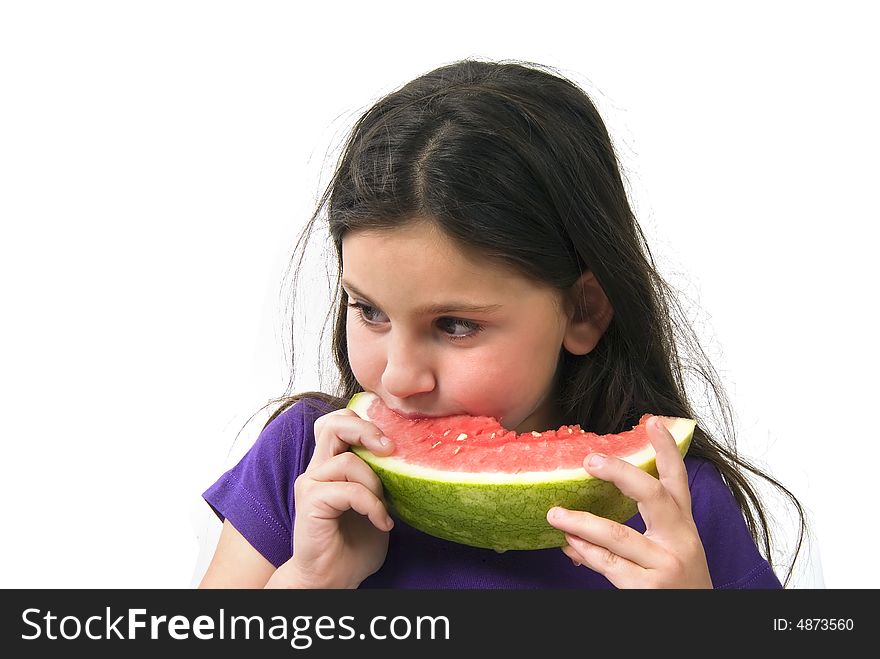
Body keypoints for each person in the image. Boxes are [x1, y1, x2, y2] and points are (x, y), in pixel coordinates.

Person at [199, 58, 806, 589]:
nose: (401, 377)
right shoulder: (305, 464)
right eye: (370, 311)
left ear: (583, 310)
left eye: (456, 325)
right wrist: (311, 582)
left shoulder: (677, 506)